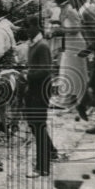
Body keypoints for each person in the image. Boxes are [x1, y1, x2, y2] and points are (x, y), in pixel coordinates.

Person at [22, 16, 55, 177]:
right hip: (34, 90)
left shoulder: (42, 46)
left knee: (38, 126)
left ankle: (42, 167)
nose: (26, 30)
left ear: (36, 26)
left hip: (40, 90)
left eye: (28, 26)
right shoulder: (34, 44)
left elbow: (45, 70)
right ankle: (50, 152)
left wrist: (27, 75)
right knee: (35, 125)